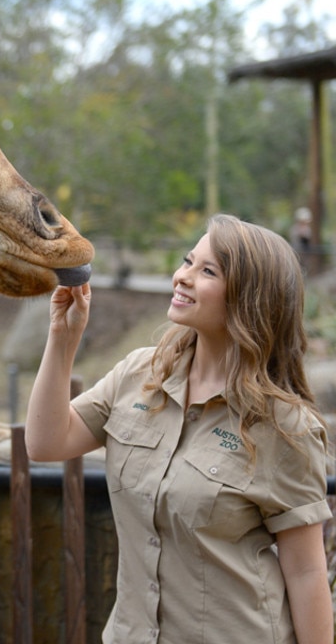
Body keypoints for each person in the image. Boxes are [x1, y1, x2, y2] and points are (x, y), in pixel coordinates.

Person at [26, 214, 333, 643]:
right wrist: (62, 337)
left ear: (250, 298)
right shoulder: (139, 372)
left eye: (207, 271)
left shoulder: (284, 427)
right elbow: (45, 442)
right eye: (188, 261)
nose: (182, 277)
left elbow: (305, 572)